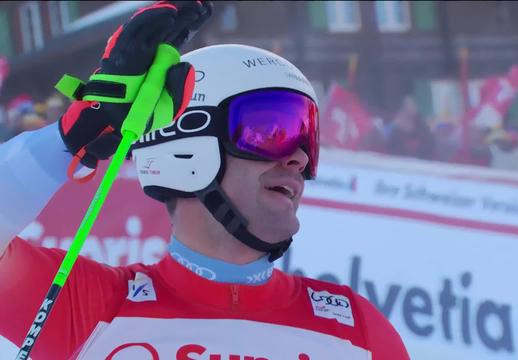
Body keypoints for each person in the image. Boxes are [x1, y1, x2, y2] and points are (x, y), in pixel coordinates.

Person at [0, 2, 409, 359]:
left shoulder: (357, 329)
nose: (298, 157)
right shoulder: (89, 307)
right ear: (188, 144)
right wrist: (73, 135)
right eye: (272, 130)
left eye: (307, 137)